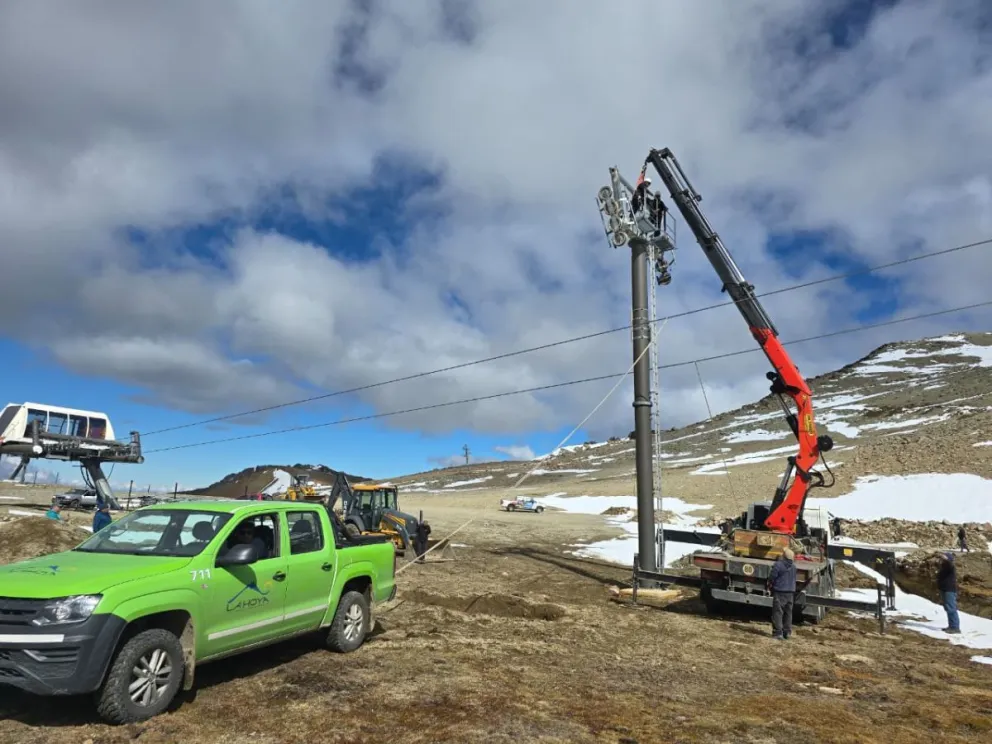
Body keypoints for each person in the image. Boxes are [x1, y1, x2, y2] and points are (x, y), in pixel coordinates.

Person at [767, 547, 798, 640]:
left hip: (780, 591)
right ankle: (787, 632)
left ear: (783, 556)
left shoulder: (778, 565)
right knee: (788, 613)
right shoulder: (794, 567)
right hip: (790, 592)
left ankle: (778, 633)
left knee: (778, 613)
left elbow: (772, 577)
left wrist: (770, 584)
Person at [937, 552, 961, 634]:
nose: (942, 559)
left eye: (944, 558)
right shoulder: (943, 567)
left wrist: (947, 558)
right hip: (944, 589)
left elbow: (949, 563)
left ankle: (955, 627)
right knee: (948, 608)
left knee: (951, 608)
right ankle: (951, 626)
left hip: (949, 590)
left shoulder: (950, 566)